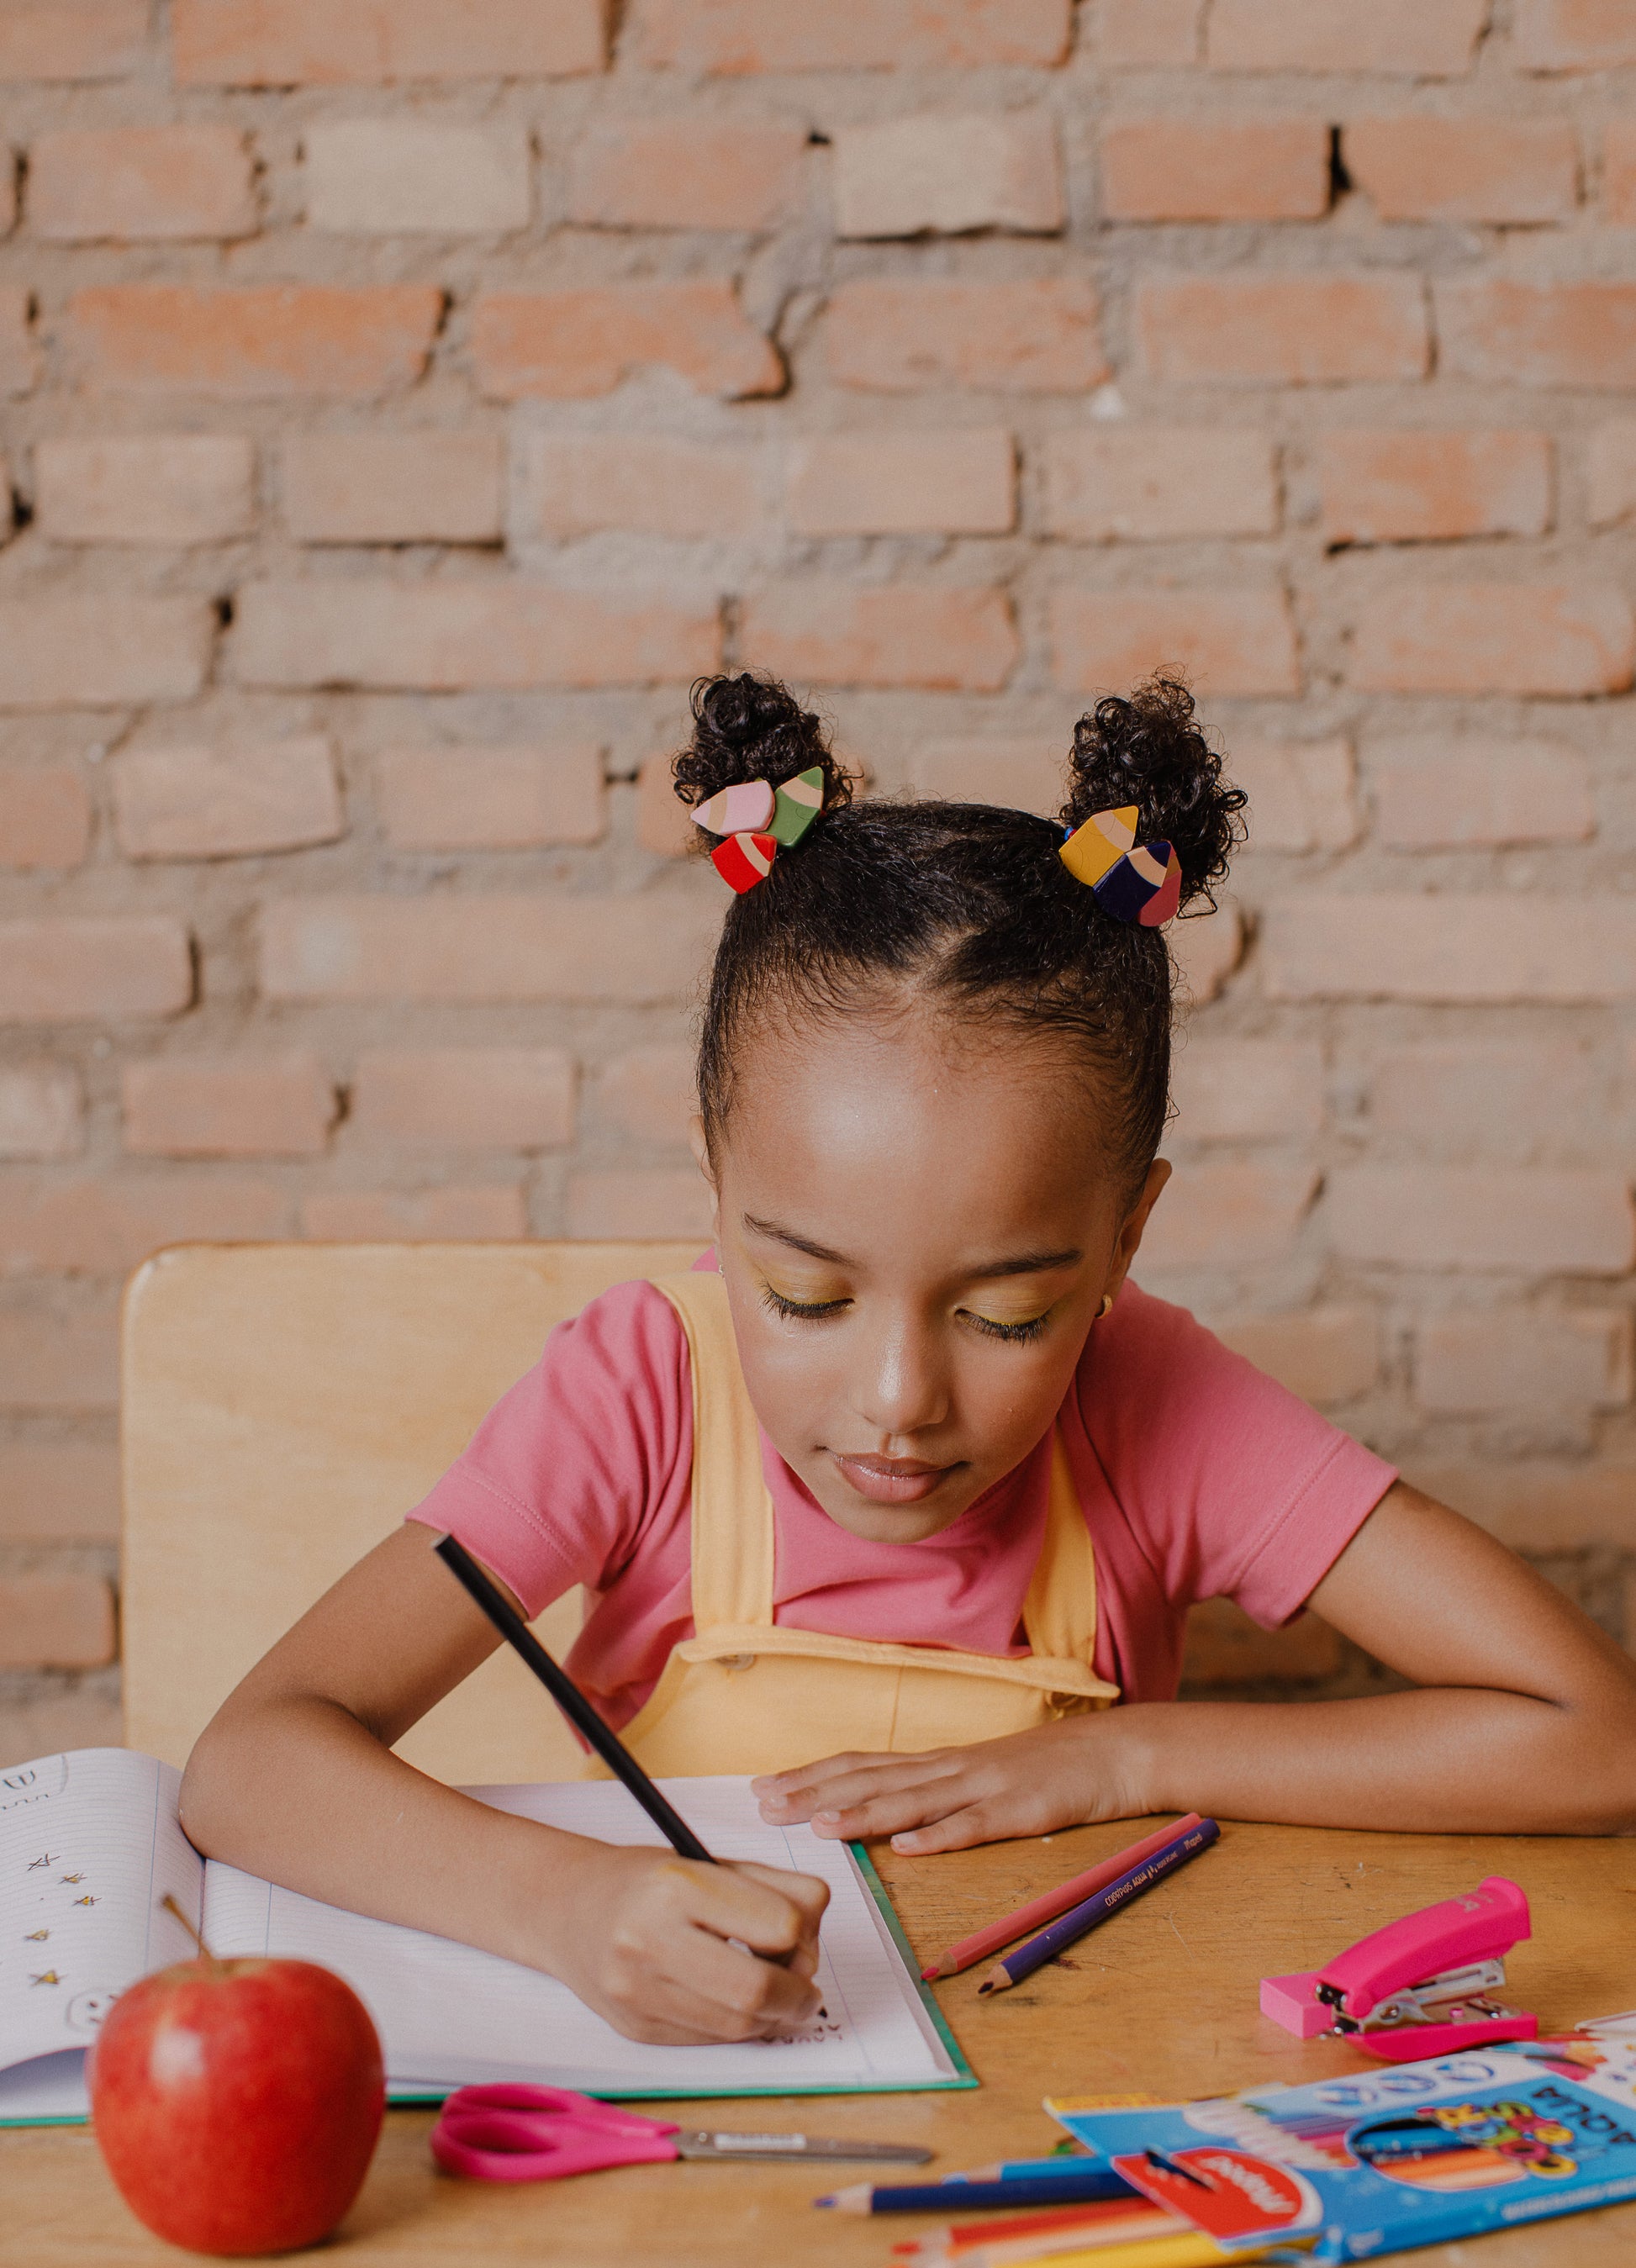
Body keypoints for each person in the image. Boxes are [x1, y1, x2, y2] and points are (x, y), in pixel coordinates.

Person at [179, 672, 1636, 2049]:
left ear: (1127, 1236)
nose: (896, 1403)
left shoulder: (1151, 1402)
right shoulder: (642, 1388)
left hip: (1061, 2082)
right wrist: (563, 1904)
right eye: (803, 1294)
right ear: (713, 1187)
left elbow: (1594, 1740)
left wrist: (1129, 1758)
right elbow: (251, 1763)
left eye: (1005, 1317)